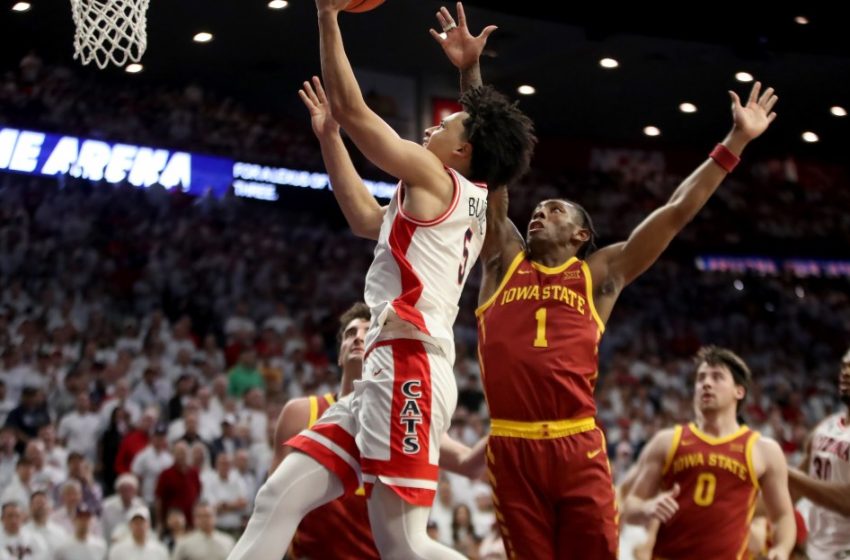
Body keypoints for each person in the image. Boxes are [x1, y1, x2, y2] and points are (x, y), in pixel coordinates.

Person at [430, 4, 779, 557]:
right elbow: (490, 161)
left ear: (581, 235)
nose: (538, 213)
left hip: (576, 446)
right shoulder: (503, 259)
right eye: (536, 208)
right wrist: (469, 73)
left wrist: (731, 146)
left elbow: (676, 210)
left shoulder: (600, 274)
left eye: (554, 210)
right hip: (513, 445)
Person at [228, 0, 535, 556]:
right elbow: (364, 220)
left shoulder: (436, 176)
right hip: (387, 367)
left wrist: (327, 15)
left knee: (402, 544)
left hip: (409, 363)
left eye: (443, 125)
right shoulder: (458, 196)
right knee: (279, 497)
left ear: (462, 151)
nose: (429, 126)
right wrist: (329, 140)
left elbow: (352, 106)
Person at [273, 304, 486, 559]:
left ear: (380, 351)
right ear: (339, 355)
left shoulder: (408, 420)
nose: (358, 338)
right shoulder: (300, 413)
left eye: (367, 332)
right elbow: (273, 507)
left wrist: (513, 423)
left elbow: (468, 462)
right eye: (350, 333)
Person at [623, 347, 795, 559]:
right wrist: (646, 508)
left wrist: (782, 548)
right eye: (701, 378)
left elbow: (782, 516)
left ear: (739, 391)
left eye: (717, 377)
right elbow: (630, 506)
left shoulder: (763, 450)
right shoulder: (666, 441)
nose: (706, 383)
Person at [787, 346, 850, 560]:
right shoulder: (826, 427)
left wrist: (784, 472)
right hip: (811, 548)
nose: (846, 372)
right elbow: (791, 492)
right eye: (844, 366)